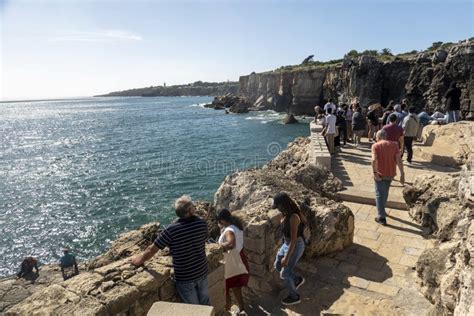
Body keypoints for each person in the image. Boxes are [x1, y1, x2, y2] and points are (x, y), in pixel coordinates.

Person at [130, 195, 210, 305]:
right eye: (193, 206)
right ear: (190, 210)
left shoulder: (171, 230)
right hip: (202, 271)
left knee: (194, 308)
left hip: (185, 276)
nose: (195, 208)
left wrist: (138, 261)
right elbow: (203, 239)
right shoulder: (201, 224)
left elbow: (152, 250)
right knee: (205, 302)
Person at [272, 193, 306, 306]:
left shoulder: (293, 217)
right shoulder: (286, 214)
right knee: (277, 264)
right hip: (286, 243)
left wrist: (286, 258)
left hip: (295, 245)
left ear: (283, 205)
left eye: (278, 207)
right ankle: (296, 279)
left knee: (284, 273)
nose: (277, 209)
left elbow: (294, 240)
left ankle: (294, 296)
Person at [217, 209, 249, 314]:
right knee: (236, 287)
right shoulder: (237, 227)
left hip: (231, 262)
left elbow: (231, 244)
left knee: (226, 289)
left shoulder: (229, 230)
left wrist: (217, 246)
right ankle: (242, 309)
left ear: (222, 220)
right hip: (239, 258)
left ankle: (226, 311)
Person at [371, 130, 405, 226]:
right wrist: (402, 173)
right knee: (385, 192)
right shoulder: (394, 145)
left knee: (378, 194)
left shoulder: (375, 146)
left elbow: (373, 160)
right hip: (390, 174)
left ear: (379, 137)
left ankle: (381, 217)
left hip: (380, 174)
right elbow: (398, 160)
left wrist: (374, 172)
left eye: (376, 138)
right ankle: (383, 210)